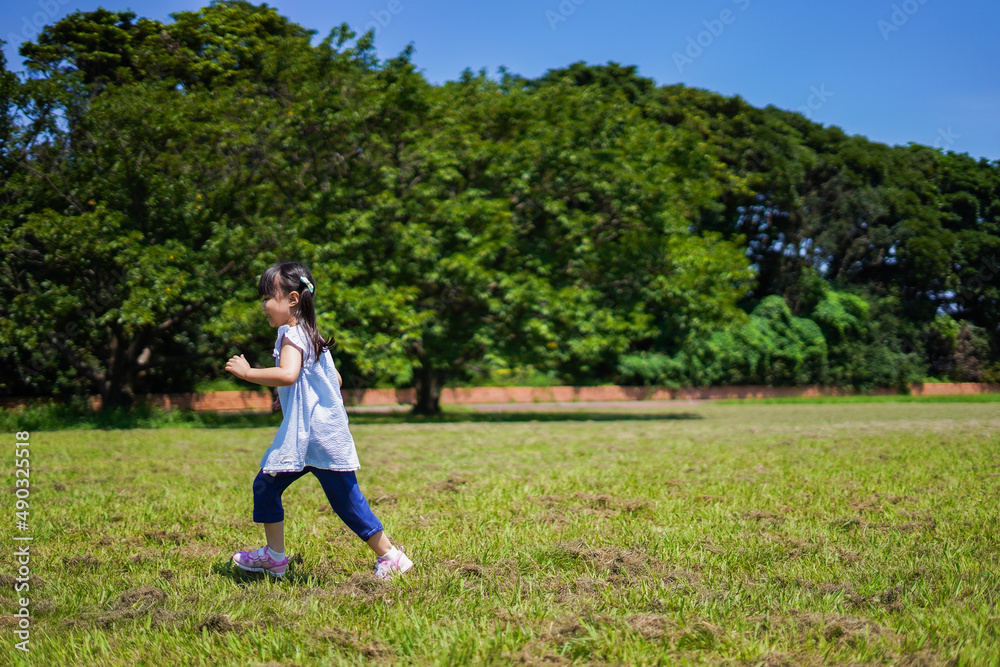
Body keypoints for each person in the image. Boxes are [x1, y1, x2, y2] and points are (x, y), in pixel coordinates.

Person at [225, 261, 412, 580]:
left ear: (293, 300)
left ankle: (391, 556)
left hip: (313, 437)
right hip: (322, 435)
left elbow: (287, 373)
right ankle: (275, 557)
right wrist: (289, 398)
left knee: (339, 499)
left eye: (268, 298)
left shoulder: (291, 334)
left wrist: (248, 373)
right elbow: (333, 380)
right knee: (276, 487)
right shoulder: (313, 335)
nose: (264, 306)